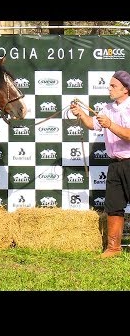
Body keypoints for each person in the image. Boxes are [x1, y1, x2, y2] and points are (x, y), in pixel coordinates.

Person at [70, 70, 130, 258]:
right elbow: (91, 124)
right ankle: (113, 248)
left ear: (126, 89)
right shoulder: (107, 108)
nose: (109, 89)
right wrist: (80, 113)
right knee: (113, 206)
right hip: (115, 164)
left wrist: (110, 125)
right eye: (109, 85)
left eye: (113, 86)